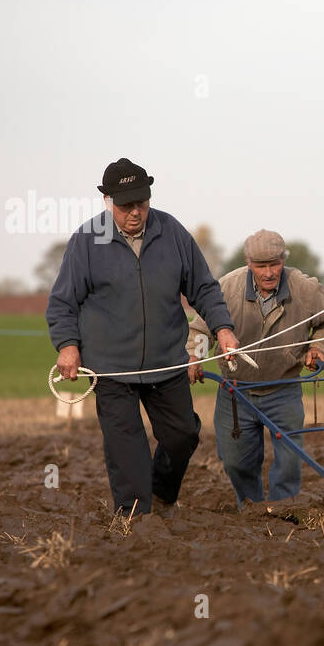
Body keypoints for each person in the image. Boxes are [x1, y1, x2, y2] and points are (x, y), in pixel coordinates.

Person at [47, 158, 241, 515]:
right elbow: (62, 304)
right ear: (108, 201)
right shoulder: (86, 242)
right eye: (126, 205)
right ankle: (136, 522)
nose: (136, 212)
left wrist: (224, 329)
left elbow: (205, 289)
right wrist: (68, 346)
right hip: (110, 370)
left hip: (167, 364)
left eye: (142, 201)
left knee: (183, 436)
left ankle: (163, 495)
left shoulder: (173, 233)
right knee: (128, 452)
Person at [187, 230, 324, 505]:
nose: (269, 272)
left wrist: (316, 347)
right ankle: (253, 510)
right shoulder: (226, 288)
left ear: (283, 260)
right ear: (248, 262)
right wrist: (195, 356)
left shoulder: (305, 289)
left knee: (290, 461)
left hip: (284, 387)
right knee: (235, 461)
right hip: (236, 391)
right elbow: (201, 328)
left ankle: (284, 511)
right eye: (261, 265)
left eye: (275, 264)